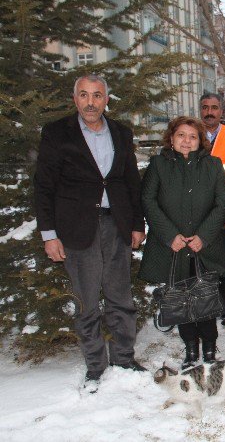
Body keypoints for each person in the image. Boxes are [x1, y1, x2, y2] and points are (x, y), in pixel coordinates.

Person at [34, 74, 147, 393]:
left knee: (120, 296)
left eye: (97, 95)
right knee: (86, 301)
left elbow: (130, 181)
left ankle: (124, 358)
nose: (90, 102)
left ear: (106, 99)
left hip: (117, 224)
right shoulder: (57, 133)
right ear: (75, 99)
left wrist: (137, 223)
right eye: (84, 95)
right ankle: (96, 366)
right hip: (77, 228)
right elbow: (43, 185)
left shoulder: (121, 133)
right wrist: (49, 234)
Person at [139, 116, 225, 370]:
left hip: (205, 246)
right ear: (171, 138)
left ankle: (211, 349)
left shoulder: (213, 165)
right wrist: (170, 235)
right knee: (181, 300)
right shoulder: (159, 165)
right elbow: (148, 200)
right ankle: (191, 349)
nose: (186, 141)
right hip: (174, 247)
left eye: (192, 136)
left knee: (205, 300)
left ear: (200, 141)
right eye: (181, 135)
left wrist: (204, 235)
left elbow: (223, 200)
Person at [199, 93, 225, 328]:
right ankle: (206, 305)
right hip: (198, 209)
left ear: (222, 111)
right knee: (202, 258)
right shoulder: (191, 134)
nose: (209, 112)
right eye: (205, 107)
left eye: (214, 108)